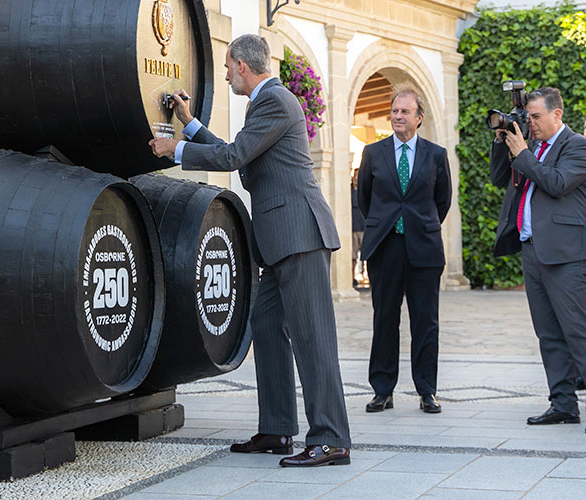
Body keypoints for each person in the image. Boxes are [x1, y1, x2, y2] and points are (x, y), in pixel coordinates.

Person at [148, 34, 351, 467]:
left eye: (227, 66)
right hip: (280, 241)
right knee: (266, 323)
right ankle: (278, 430)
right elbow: (238, 152)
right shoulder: (265, 104)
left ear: (242, 65)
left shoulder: (275, 100)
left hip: (299, 234)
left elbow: (234, 155)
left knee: (313, 339)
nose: (224, 74)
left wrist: (177, 148)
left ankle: (331, 438)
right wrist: (189, 123)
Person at [490, 87, 586, 427]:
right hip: (532, 249)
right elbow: (499, 178)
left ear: (557, 115)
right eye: (527, 117)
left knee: (578, 331)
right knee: (548, 333)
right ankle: (563, 404)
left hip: (566, 255)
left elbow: (557, 183)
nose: (530, 124)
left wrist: (524, 153)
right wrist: (504, 142)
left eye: (536, 117)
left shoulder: (576, 146)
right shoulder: (529, 147)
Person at [357, 84, 452, 414]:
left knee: (425, 322)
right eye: (395, 111)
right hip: (386, 247)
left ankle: (427, 390)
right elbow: (365, 200)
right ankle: (382, 389)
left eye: (405, 111)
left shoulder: (436, 155)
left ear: (419, 118)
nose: (398, 116)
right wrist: (388, 225)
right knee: (384, 319)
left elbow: (442, 201)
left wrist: (418, 224)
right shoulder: (373, 153)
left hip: (424, 248)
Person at [351, 168, 366, 287]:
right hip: (353, 228)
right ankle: (352, 279)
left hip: (365, 228)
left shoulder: (365, 191)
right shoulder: (349, 192)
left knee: (368, 256)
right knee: (353, 257)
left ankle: (369, 278)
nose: (356, 178)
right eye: (355, 176)